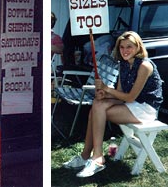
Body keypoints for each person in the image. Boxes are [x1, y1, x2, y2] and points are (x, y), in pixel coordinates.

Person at [62, 31, 163, 177]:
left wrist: (106, 88)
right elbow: (120, 94)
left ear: (138, 47)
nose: (125, 51)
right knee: (98, 104)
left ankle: (96, 157)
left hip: (146, 108)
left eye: (129, 47)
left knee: (97, 111)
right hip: (132, 104)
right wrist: (105, 94)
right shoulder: (123, 64)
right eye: (122, 47)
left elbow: (129, 97)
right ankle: (88, 156)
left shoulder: (145, 66)